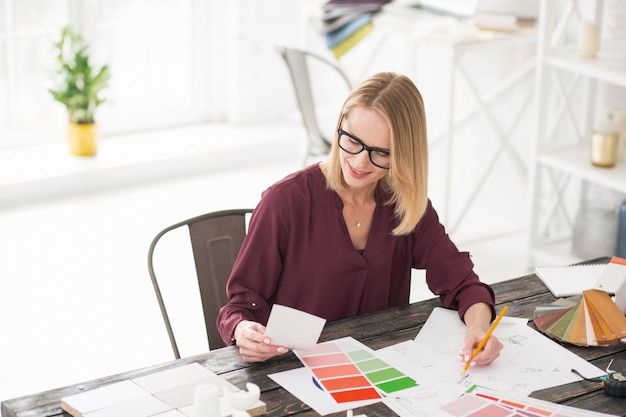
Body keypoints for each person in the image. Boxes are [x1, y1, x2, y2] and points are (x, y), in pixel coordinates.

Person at [217, 72, 503, 366]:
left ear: (404, 154)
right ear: (340, 125)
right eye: (352, 141)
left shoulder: (405, 205)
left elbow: (464, 284)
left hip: (379, 370)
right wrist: (243, 331)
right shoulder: (284, 202)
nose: (359, 162)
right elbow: (240, 306)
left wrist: (479, 328)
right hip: (293, 373)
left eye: (381, 153)